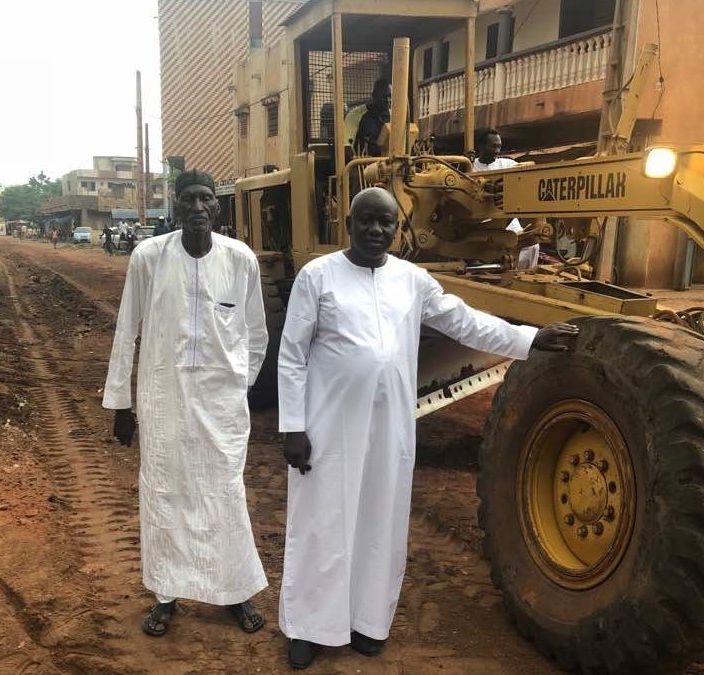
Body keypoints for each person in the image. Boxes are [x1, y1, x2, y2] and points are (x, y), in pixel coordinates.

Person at [277, 187, 578, 670]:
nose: (376, 230)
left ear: (398, 230)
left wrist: (530, 338)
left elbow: (465, 323)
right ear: (348, 225)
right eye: (366, 220)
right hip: (328, 424)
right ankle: (308, 627)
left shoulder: (412, 280)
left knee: (381, 520)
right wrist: (293, 426)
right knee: (321, 521)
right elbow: (292, 355)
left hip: (390, 425)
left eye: (386, 223)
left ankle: (368, 621)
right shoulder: (318, 276)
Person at [102, 169, 269, 638]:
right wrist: (122, 404)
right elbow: (127, 329)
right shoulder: (148, 257)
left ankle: (235, 590)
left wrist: (238, 386)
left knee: (226, 493)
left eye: (205, 199)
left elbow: (256, 334)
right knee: (164, 493)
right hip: (164, 400)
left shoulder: (240, 260)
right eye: (188, 199)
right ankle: (165, 593)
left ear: (216, 206)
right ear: (175, 206)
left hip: (222, 407)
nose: (197, 207)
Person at [474, 128, 540, 269]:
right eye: (493, 146)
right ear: (481, 146)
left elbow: (526, 174)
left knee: (532, 245)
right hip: (480, 224)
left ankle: (522, 276)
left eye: (499, 146)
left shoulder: (507, 165)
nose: (497, 150)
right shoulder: (470, 167)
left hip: (508, 222)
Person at [354, 79, 392, 156]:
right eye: (383, 96)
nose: (387, 100)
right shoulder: (365, 119)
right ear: (374, 96)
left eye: (390, 96)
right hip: (370, 160)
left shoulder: (395, 117)